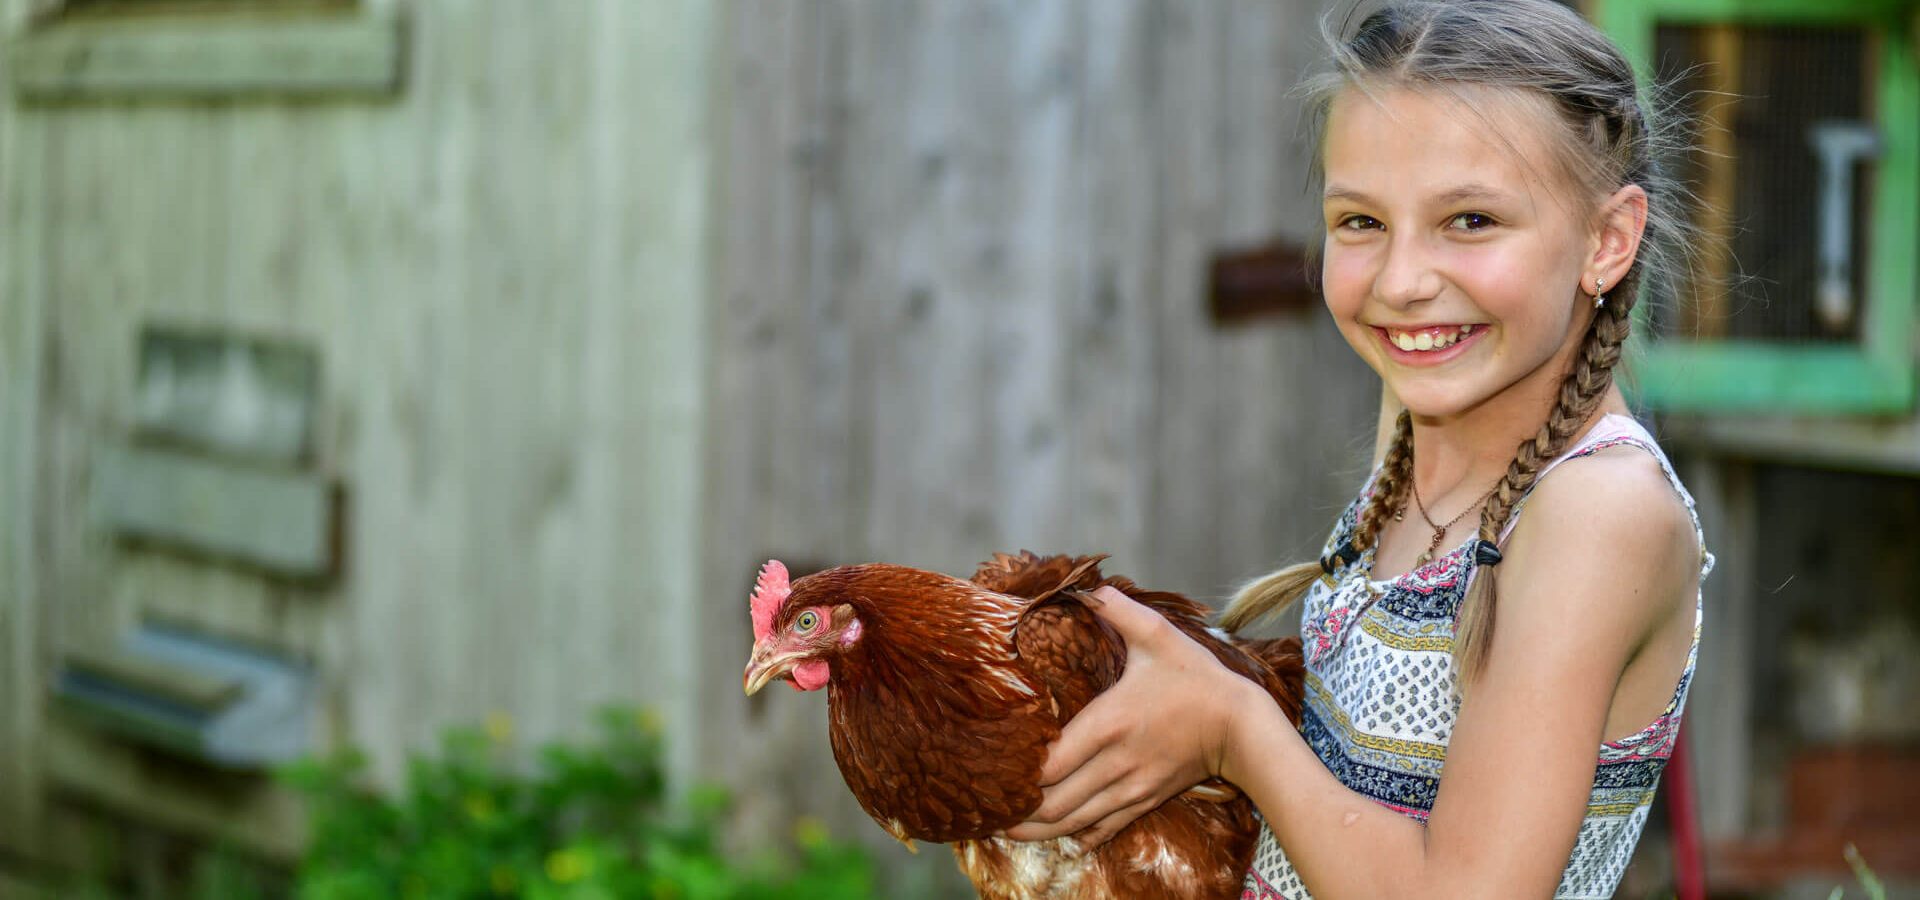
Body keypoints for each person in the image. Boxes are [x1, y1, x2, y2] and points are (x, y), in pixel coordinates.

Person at [1004, 1, 1715, 897]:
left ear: (1607, 240)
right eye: (1360, 222)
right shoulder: (1424, 435)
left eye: (1471, 221)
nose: (1402, 282)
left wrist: (1233, 729)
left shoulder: (1595, 512)